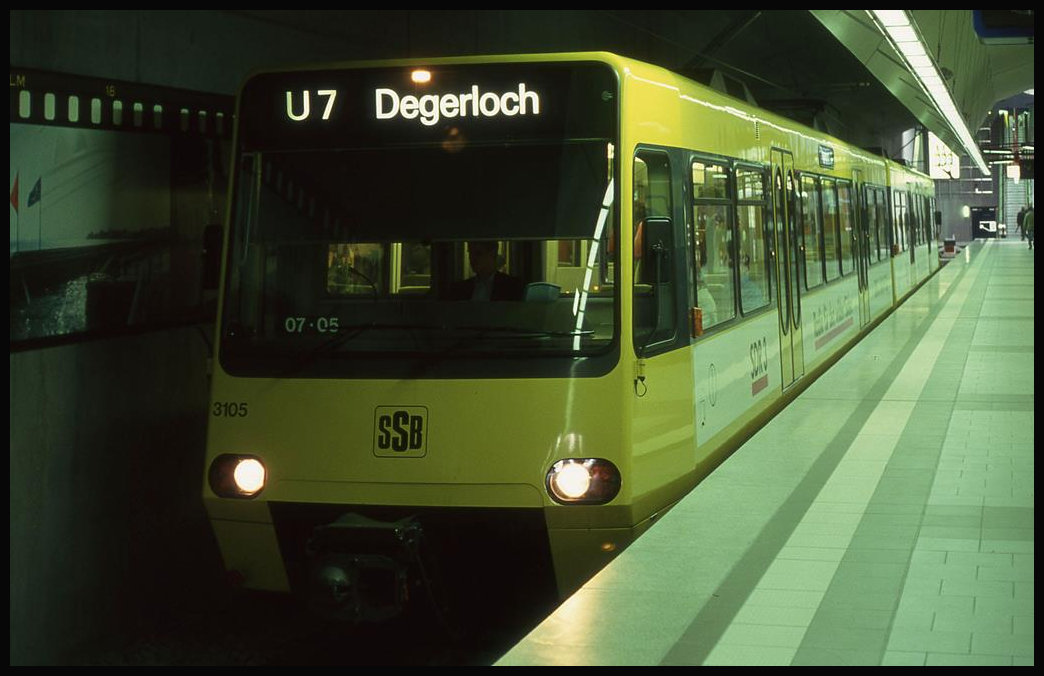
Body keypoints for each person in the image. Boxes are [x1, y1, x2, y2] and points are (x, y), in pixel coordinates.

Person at [446, 240, 524, 301]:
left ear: (492, 254)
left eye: (478, 253)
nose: (472, 259)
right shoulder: (459, 289)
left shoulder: (512, 286)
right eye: (470, 253)